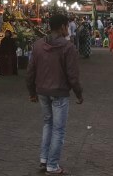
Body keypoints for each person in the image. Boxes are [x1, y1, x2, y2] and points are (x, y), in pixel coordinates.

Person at [27, 14, 83, 175]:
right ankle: (52, 165)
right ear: (62, 27)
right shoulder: (68, 47)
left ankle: (44, 160)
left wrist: (32, 92)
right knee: (58, 129)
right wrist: (79, 93)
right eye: (67, 26)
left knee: (47, 124)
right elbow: (73, 75)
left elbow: (30, 71)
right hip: (59, 92)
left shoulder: (38, 45)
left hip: (42, 91)